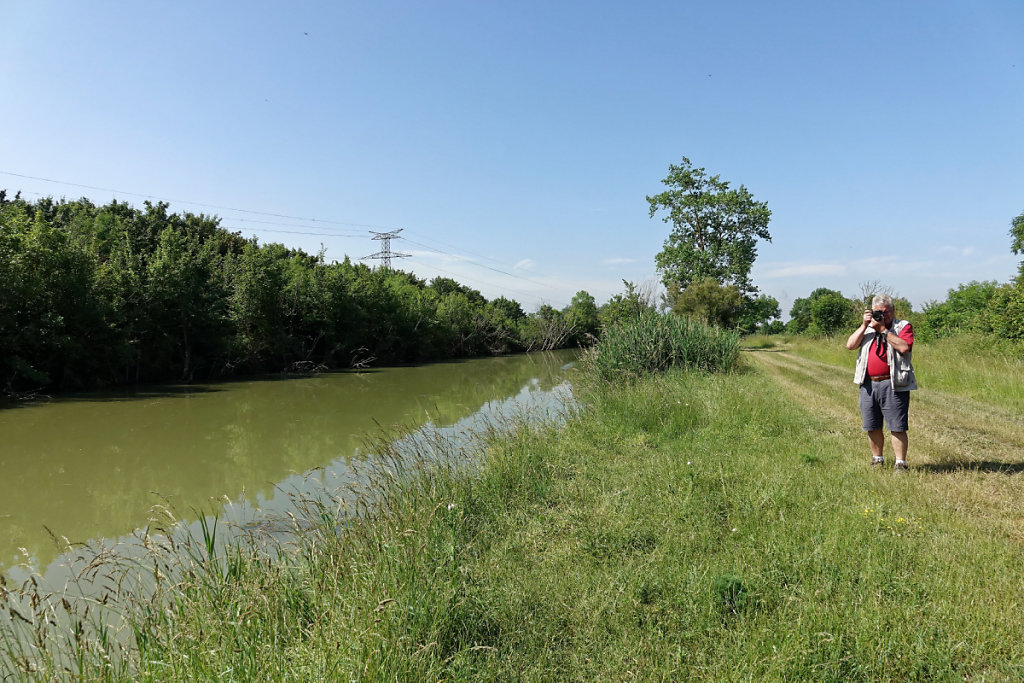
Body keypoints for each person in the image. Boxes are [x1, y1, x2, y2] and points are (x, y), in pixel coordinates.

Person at [845, 294, 917, 470]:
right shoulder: (868, 328)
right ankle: (877, 459)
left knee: (897, 425)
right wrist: (864, 325)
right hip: (868, 383)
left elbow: (904, 347)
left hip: (893, 383)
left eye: (884, 312)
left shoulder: (902, 326)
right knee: (872, 424)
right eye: (877, 312)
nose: (881, 316)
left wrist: (884, 330)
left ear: (892, 311)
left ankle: (900, 463)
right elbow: (850, 345)